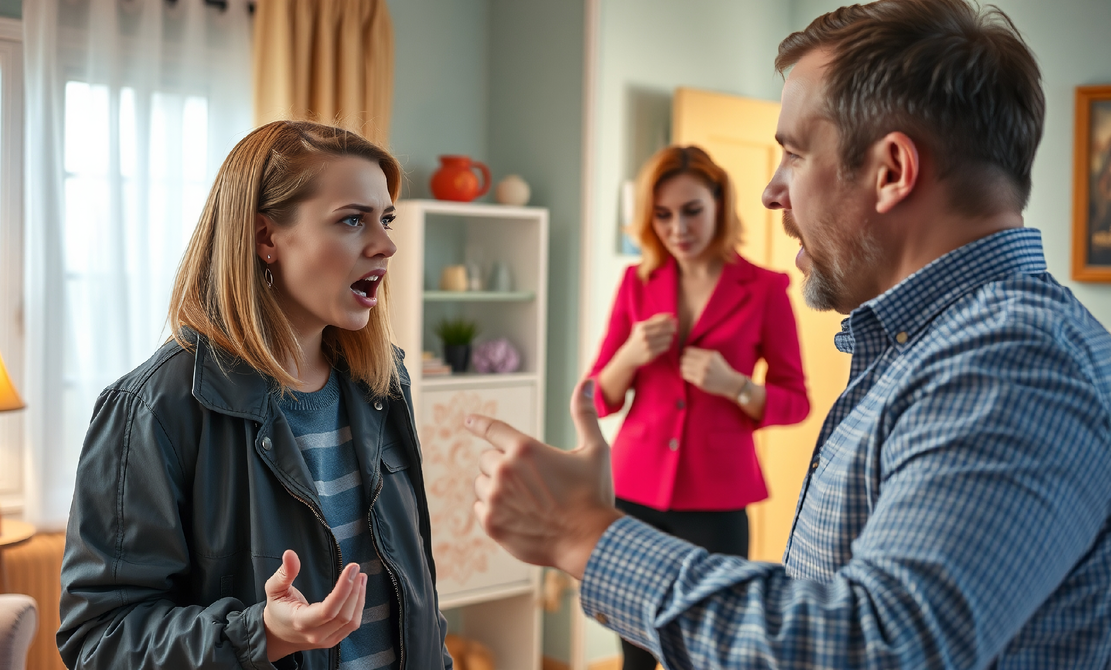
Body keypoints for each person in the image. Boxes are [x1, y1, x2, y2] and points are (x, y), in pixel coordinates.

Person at [465, 0, 1111, 667]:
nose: (772, 192)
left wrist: (583, 535)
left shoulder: (1012, 364)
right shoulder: (926, 347)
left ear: (891, 171)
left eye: (796, 154)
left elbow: (872, 649)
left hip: (713, 500)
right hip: (639, 485)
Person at [58, 121, 451, 669]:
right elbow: (100, 640)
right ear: (266, 238)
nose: (386, 245)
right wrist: (260, 635)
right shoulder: (153, 408)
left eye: (385, 219)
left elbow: (415, 594)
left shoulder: (384, 384)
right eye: (352, 219)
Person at [589, 145, 809, 670]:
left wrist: (735, 386)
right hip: (632, 492)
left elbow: (795, 400)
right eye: (663, 215)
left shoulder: (765, 289)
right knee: (635, 651)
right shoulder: (636, 283)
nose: (677, 229)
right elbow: (597, 396)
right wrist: (629, 355)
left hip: (717, 499)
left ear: (719, 204)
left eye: (691, 211)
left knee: (709, 650)